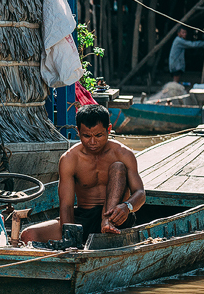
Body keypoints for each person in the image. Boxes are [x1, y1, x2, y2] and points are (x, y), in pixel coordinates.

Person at [20, 104, 146, 245]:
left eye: (98, 135)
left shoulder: (123, 154)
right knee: (28, 235)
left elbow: (140, 193)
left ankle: (106, 222)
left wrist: (127, 207)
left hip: (117, 219)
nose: (93, 142)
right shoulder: (69, 159)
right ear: (78, 131)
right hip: (83, 217)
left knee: (118, 167)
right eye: (86, 136)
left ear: (108, 129)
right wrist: (70, 237)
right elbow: (66, 205)